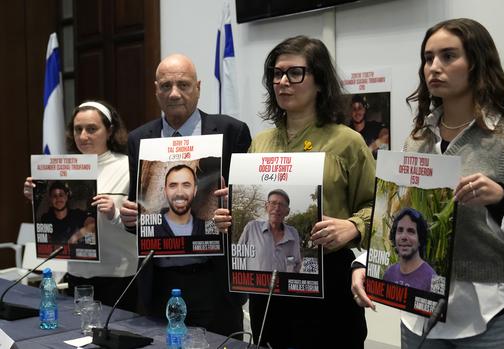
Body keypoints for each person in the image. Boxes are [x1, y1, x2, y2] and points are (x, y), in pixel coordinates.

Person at [351, 18, 504, 348]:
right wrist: (364, 266)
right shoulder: (415, 141)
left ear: (478, 63)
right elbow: (392, 221)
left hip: (489, 319)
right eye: (428, 58)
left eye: (448, 56)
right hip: (419, 317)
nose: (434, 67)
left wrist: (501, 200)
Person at [214, 36, 375, 349]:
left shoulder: (347, 142)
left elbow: (378, 208)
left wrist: (353, 226)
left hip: (328, 283)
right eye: (277, 74)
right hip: (269, 290)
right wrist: (227, 219)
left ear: (319, 81)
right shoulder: (260, 142)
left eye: (295, 73)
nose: (283, 81)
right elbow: (245, 211)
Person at [119, 53, 251, 336]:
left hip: (215, 284)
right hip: (159, 284)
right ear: (156, 90)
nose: (174, 93)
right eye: (166, 86)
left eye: (183, 84)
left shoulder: (232, 131)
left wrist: (234, 206)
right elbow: (140, 212)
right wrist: (130, 218)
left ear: (199, 87)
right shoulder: (139, 139)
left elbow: (249, 213)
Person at [24, 100, 138, 311]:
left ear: (110, 130)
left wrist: (114, 214)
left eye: (92, 129)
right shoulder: (63, 168)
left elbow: (146, 224)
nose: (83, 136)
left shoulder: (128, 165)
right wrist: (37, 196)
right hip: (78, 271)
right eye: (78, 129)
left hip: (119, 274)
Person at [237, 189, 302, 273]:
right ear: (266, 206)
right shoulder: (252, 228)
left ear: (287, 211)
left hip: (282, 285)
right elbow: (237, 257)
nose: (277, 208)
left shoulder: (293, 233)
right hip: (253, 285)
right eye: (273, 203)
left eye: (282, 205)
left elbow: (296, 264)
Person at [383, 208, 436, 291]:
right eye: (400, 230)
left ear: (420, 239)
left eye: (411, 231)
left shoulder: (434, 280)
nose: (404, 237)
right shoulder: (389, 274)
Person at [153, 165, 204, 237]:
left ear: (195, 191)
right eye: (173, 185)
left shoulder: (206, 228)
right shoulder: (150, 227)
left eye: (186, 185)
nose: (179, 193)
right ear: (165, 191)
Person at [39, 180, 94, 245]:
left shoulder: (76, 214)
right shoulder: (46, 218)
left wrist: (75, 237)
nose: (58, 199)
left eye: (61, 195)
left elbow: (93, 225)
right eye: (54, 196)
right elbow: (43, 239)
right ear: (50, 198)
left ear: (66, 196)